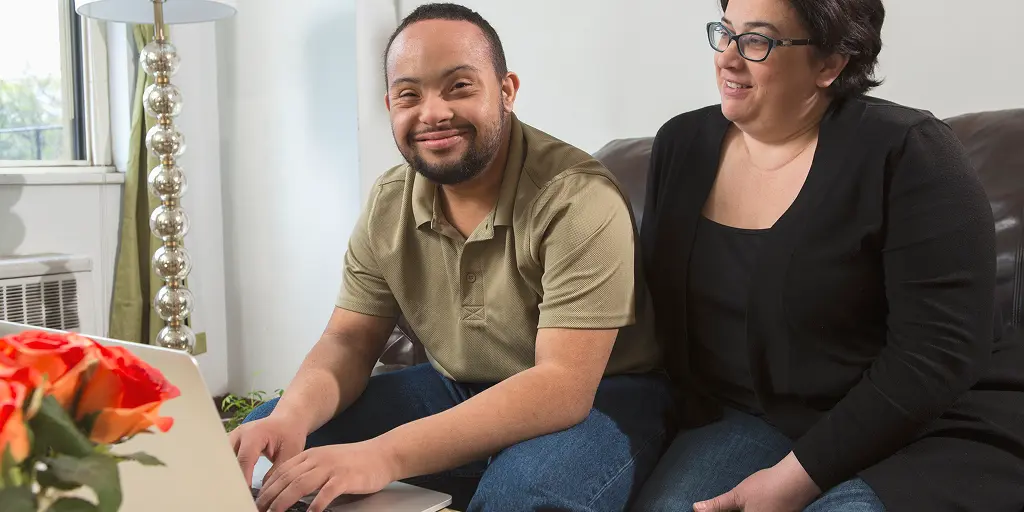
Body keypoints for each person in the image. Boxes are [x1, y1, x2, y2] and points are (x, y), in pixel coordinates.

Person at [229, 3, 672, 512]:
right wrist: (293, 415)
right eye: (409, 94)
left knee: (522, 496)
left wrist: (384, 455)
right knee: (267, 444)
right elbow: (349, 339)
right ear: (389, 103)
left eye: (459, 87)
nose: (433, 112)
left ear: (506, 91)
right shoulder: (389, 200)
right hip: (457, 387)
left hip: (602, 398)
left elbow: (562, 386)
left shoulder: (577, 198)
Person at [629, 0, 1024, 510]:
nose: (727, 57)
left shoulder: (909, 153)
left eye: (757, 41)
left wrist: (791, 483)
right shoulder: (681, 145)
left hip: (917, 423)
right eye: (724, 33)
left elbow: (937, 357)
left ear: (830, 64)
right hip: (751, 418)